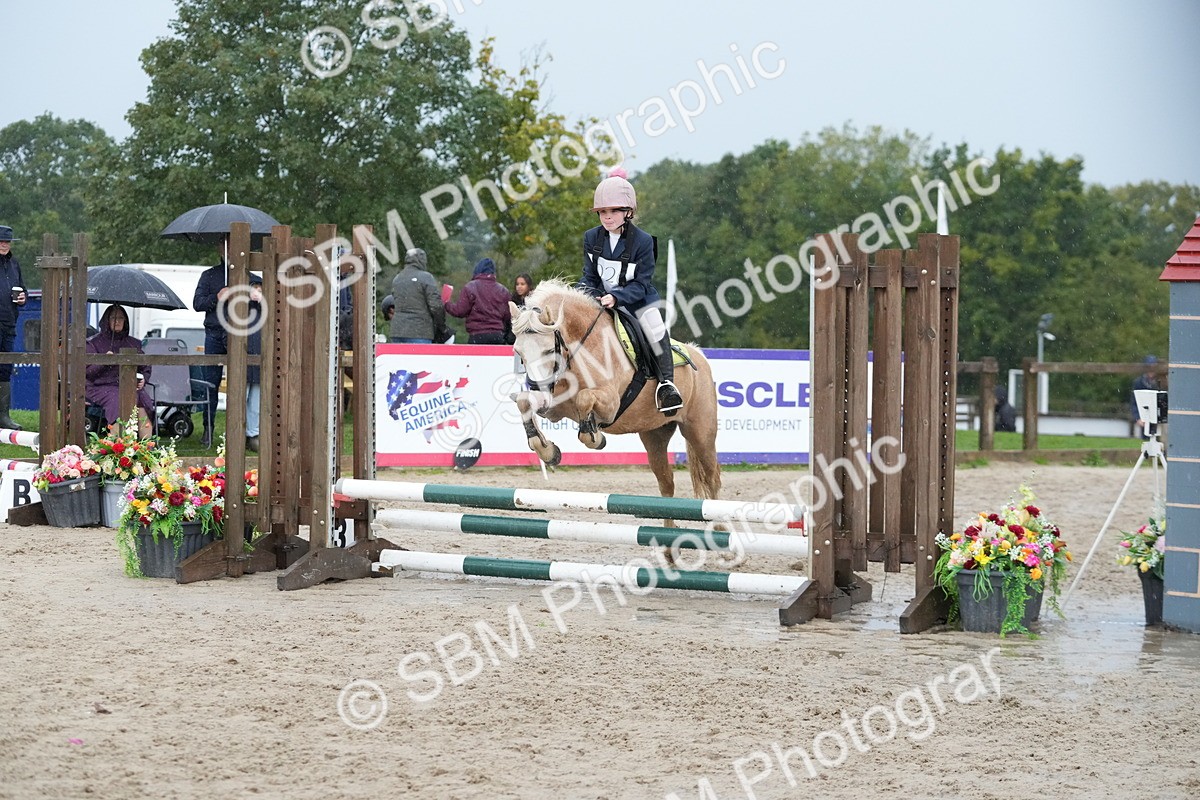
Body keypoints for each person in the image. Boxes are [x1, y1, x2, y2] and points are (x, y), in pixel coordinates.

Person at [579, 168, 682, 413]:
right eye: (602, 211)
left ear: (629, 212)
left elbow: (641, 283)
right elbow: (589, 276)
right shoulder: (591, 237)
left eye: (614, 210)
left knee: (655, 325)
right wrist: (586, 292)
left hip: (637, 300)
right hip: (601, 298)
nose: (607, 216)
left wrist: (617, 297)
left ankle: (667, 385)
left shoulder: (644, 241)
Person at [193, 240, 263, 449]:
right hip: (214, 334)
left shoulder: (254, 280)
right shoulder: (209, 276)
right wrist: (216, 297)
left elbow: (265, 309)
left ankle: (245, 433)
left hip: (244, 338)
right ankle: (208, 428)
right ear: (220, 250)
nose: (230, 252)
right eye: (226, 247)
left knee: (246, 384)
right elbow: (198, 303)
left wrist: (257, 297)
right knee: (210, 384)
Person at [85, 304, 154, 437]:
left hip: (129, 386)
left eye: (121, 318)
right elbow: (88, 373)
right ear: (106, 321)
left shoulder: (134, 344)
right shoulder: (93, 343)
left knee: (142, 401)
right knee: (118, 400)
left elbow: (145, 367)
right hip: (99, 387)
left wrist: (143, 380)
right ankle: (117, 448)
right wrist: (104, 361)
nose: (117, 321)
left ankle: (147, 450)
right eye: (113, 318)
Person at [444, 258, 512, 345]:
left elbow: (460, 311)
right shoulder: (503, 290)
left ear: (477, 270)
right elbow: (508, 316)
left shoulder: (470, 287)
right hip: (497, 335)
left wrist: (446, 303)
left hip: (477, 335)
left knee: (475, 358)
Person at [0, 225, 26, 430]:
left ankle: (3, 416)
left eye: (7, 241)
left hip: (9, 322)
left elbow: (23, 290)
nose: (4, 244)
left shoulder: (14, 264)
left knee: (6, 368)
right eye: (1, 241)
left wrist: (23, 298)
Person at [389, 248, 445, 344]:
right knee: (420, 359)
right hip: (420, 330)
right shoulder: (426, 278)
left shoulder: (397, 278)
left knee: (400, 359)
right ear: (422, 260)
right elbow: (436, 306)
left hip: (397, 330)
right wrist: (441, 325)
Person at [1131, 355, 1160, 436]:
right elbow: (1134, 402)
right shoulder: (1139, 382)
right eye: (1149, 367)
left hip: (1159, 416)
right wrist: (1138, 418)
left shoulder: (1161, 381)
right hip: (1144, 417)